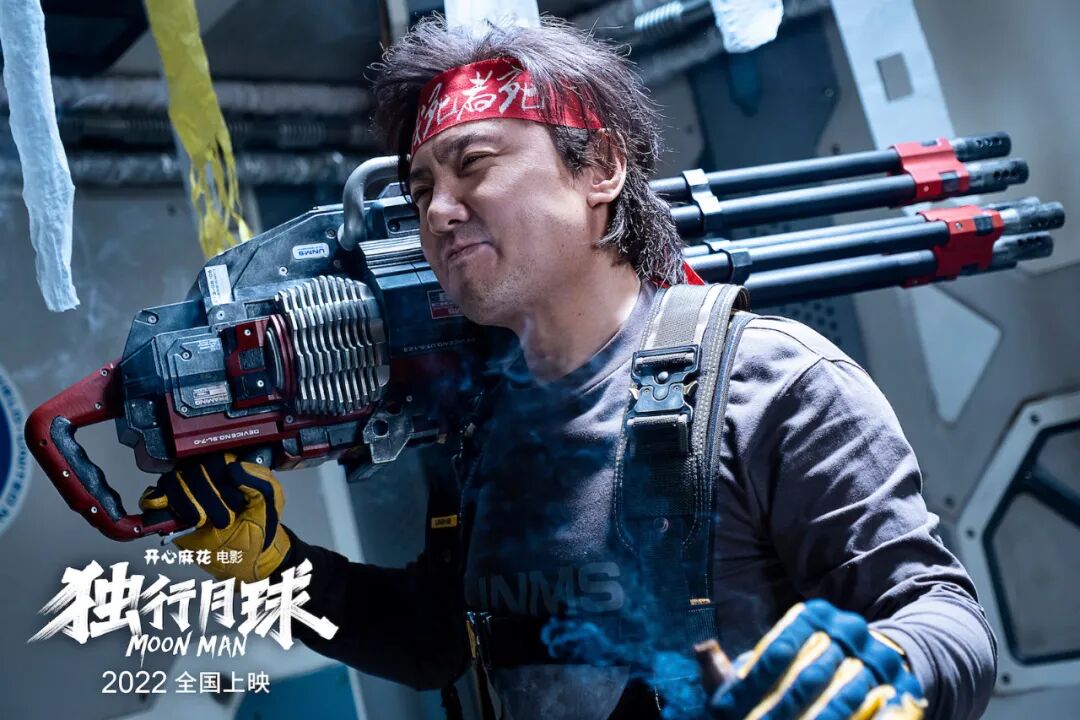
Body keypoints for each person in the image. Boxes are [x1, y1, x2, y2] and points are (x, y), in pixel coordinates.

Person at [139, 16, 996, 720]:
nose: (438, 210)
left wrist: (880, 668)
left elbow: (943, 617)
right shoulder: (487, 422)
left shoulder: (771, 383)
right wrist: (276, 569)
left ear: (602, 169)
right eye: (420, 189)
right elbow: (438, 643)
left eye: (474, 164)